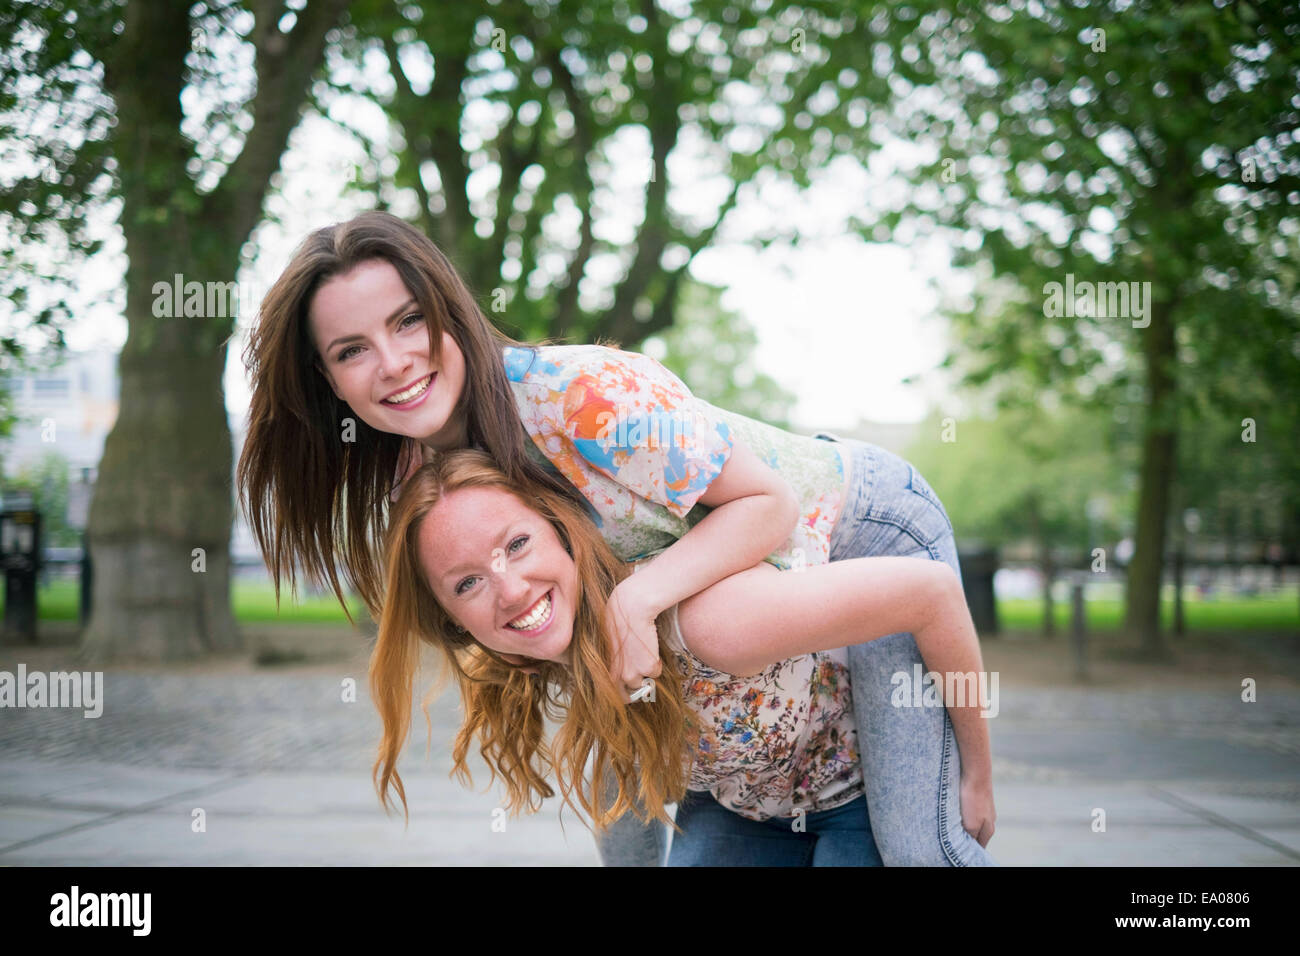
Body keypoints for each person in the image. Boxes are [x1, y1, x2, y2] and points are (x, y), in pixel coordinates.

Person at [236, 209, 995, 865]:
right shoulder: (433, 487)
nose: (394, 362)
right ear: (328, 380)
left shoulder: (579, 398)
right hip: (756, 654)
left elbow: (770, 505)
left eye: (408, 321)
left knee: (917, 845)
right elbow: (597, 696)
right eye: (351, 350)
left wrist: (638, 604)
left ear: (449, 310)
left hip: (860, 525)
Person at [371, 448, 993, 866]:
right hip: (745, 810)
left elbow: (930, 593)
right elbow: (623, 801)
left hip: (855, 792)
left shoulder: (707, 623)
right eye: (467, 584)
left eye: (517, 543)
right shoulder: (556, 658)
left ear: (561, 532)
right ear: (455, 624)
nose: (509, 590)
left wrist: (976, 773)